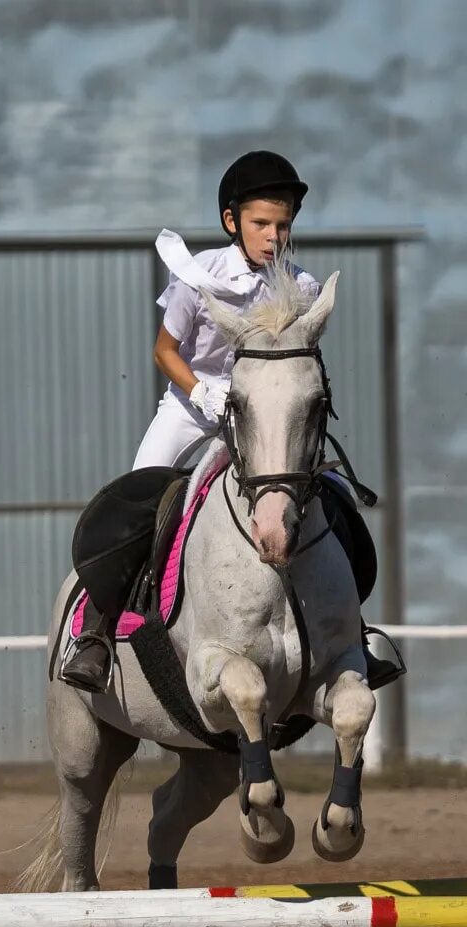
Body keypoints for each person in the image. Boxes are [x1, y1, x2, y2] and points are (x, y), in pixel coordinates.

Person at [60, 150, 319, 693]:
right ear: (232, 222)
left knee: (325, 491)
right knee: (132, 501)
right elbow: (164, 350)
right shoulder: (198, 277)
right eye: (261, 224)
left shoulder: (303, 288)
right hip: (189, 409)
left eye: (283, 225)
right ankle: (96, 634)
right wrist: (202, 390)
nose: (274, 236)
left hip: (258, 421)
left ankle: (350, 627)